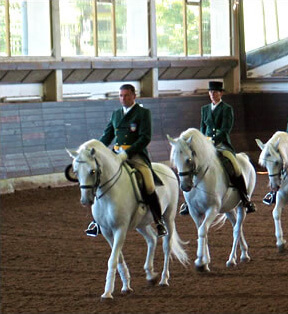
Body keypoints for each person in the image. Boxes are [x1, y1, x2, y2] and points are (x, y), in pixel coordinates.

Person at [85, 84, 167, 237]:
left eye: (127, 95)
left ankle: (158, 220)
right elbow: (107, 135)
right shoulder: (116, 114)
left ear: (134, 96)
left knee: (148, 184)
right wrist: (96, 150)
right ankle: (97, 220)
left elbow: (145, 138)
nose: (123, 98)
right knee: (99, 179)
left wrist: (127, 153)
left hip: (135, 155)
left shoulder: (143, 113)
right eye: (121, 96)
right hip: (115, 154)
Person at [179, 81, 256, 216]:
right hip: (206, 147)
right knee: (193, 165)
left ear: (221, 93)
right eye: (211, 92)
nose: (213, 95)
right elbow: (202, 129)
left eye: (215, 92)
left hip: (222, 145)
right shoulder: (205, 109)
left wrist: (212, 142)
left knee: (235, 167)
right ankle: (188, 201)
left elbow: (226, 129)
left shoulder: (227, 109)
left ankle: (245, 198)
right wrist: (202, 143)